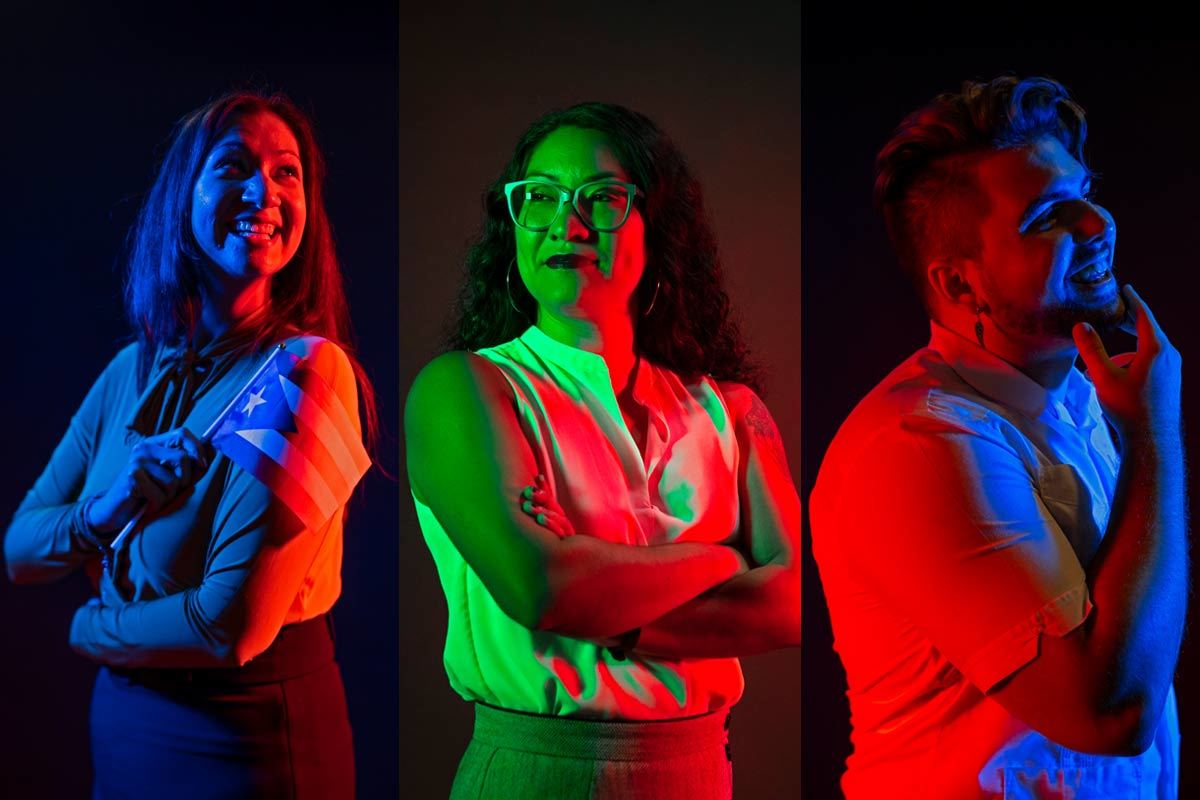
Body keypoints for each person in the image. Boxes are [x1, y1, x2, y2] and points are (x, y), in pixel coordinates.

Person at [405, 102, 801, 799]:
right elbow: (544, 590)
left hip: (701, 770)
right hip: (537, 771)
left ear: (660, 229)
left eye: (604, 198)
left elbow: (792, 604)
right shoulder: (465, 389)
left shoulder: (733, 413)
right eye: (540, 197)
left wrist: (603, 597)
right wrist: (722, 558)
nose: (569, 222)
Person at [809, 75, 1184, 798]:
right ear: (958, 286)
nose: (1095, 223)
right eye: (1048, 216)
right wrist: (1154, 434)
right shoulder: (918, 444)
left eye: (1085, 191)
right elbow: (1111, 716)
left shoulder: (1077, 400)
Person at [4, 89, 376, 799]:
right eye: (234, 166)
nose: (262, 191)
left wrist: (91, 627)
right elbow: (21, 550)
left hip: (245, 747)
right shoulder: (132, 369)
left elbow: (223, 626)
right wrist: (107, 508)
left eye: (286, 172)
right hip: (123, 731)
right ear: (184, 196)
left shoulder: (304, 373)